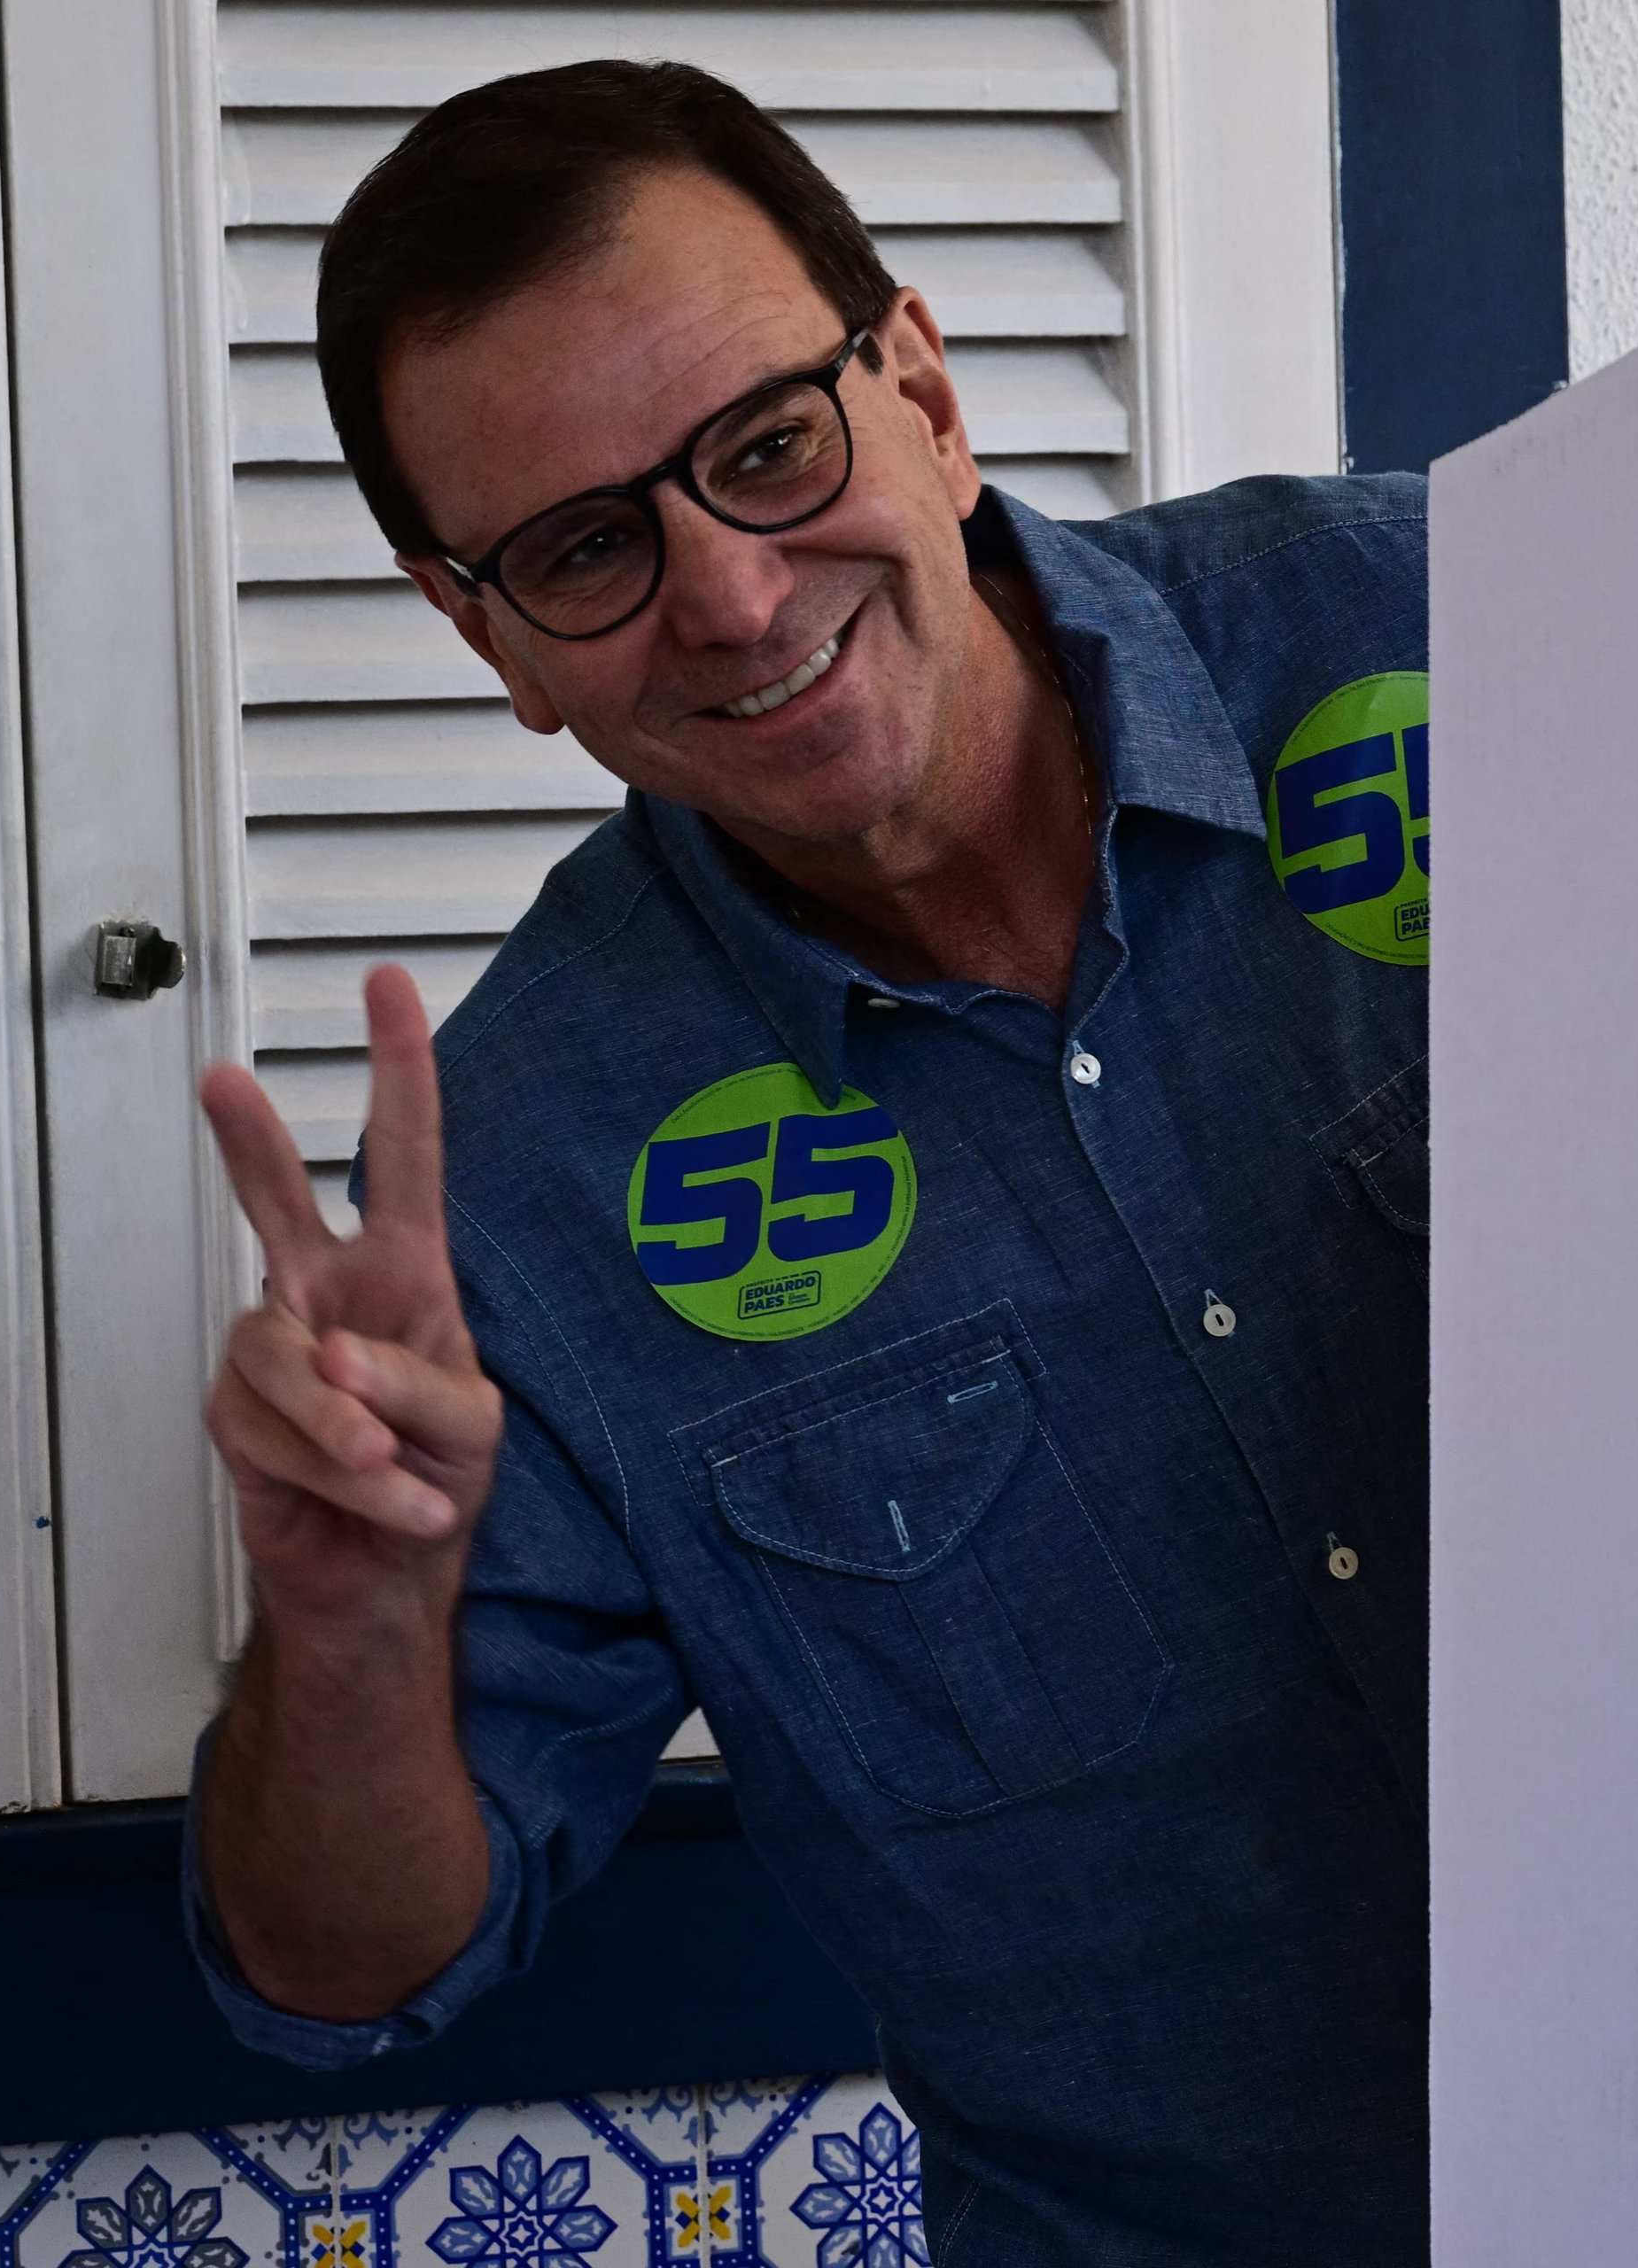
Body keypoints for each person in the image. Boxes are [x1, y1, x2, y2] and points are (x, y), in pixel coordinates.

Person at [185, 60, 1432, 2265]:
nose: (735, 597)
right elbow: (337, 1974)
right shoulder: (523, 1186)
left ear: (928, 394)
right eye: (584, 546)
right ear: (486, 636)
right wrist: (353, 1622)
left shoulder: (1469, 635)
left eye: (768, 444)